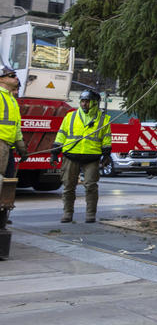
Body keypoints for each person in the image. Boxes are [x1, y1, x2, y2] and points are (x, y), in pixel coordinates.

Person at [50, 89, 111, 224]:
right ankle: (67, 213)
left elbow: (106, 139)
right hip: (71, 155)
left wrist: (106, 155)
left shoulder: (104, 119)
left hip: (92, 157)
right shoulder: (70, 116)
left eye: (87, 101)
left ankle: (90, 214)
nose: (84, 104)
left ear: (95, 103)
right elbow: (61, 135)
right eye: (82, 101)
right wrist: (54, 152)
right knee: (68, 186)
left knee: (91, 186)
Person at [0, 66, 28, 179]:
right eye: (11, 75)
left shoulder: (11, 99)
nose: (16, 77)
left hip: (7, 145)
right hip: (1, 142)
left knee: (8, 179)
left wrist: (19, 143)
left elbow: (15, 125)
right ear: (1, 79)